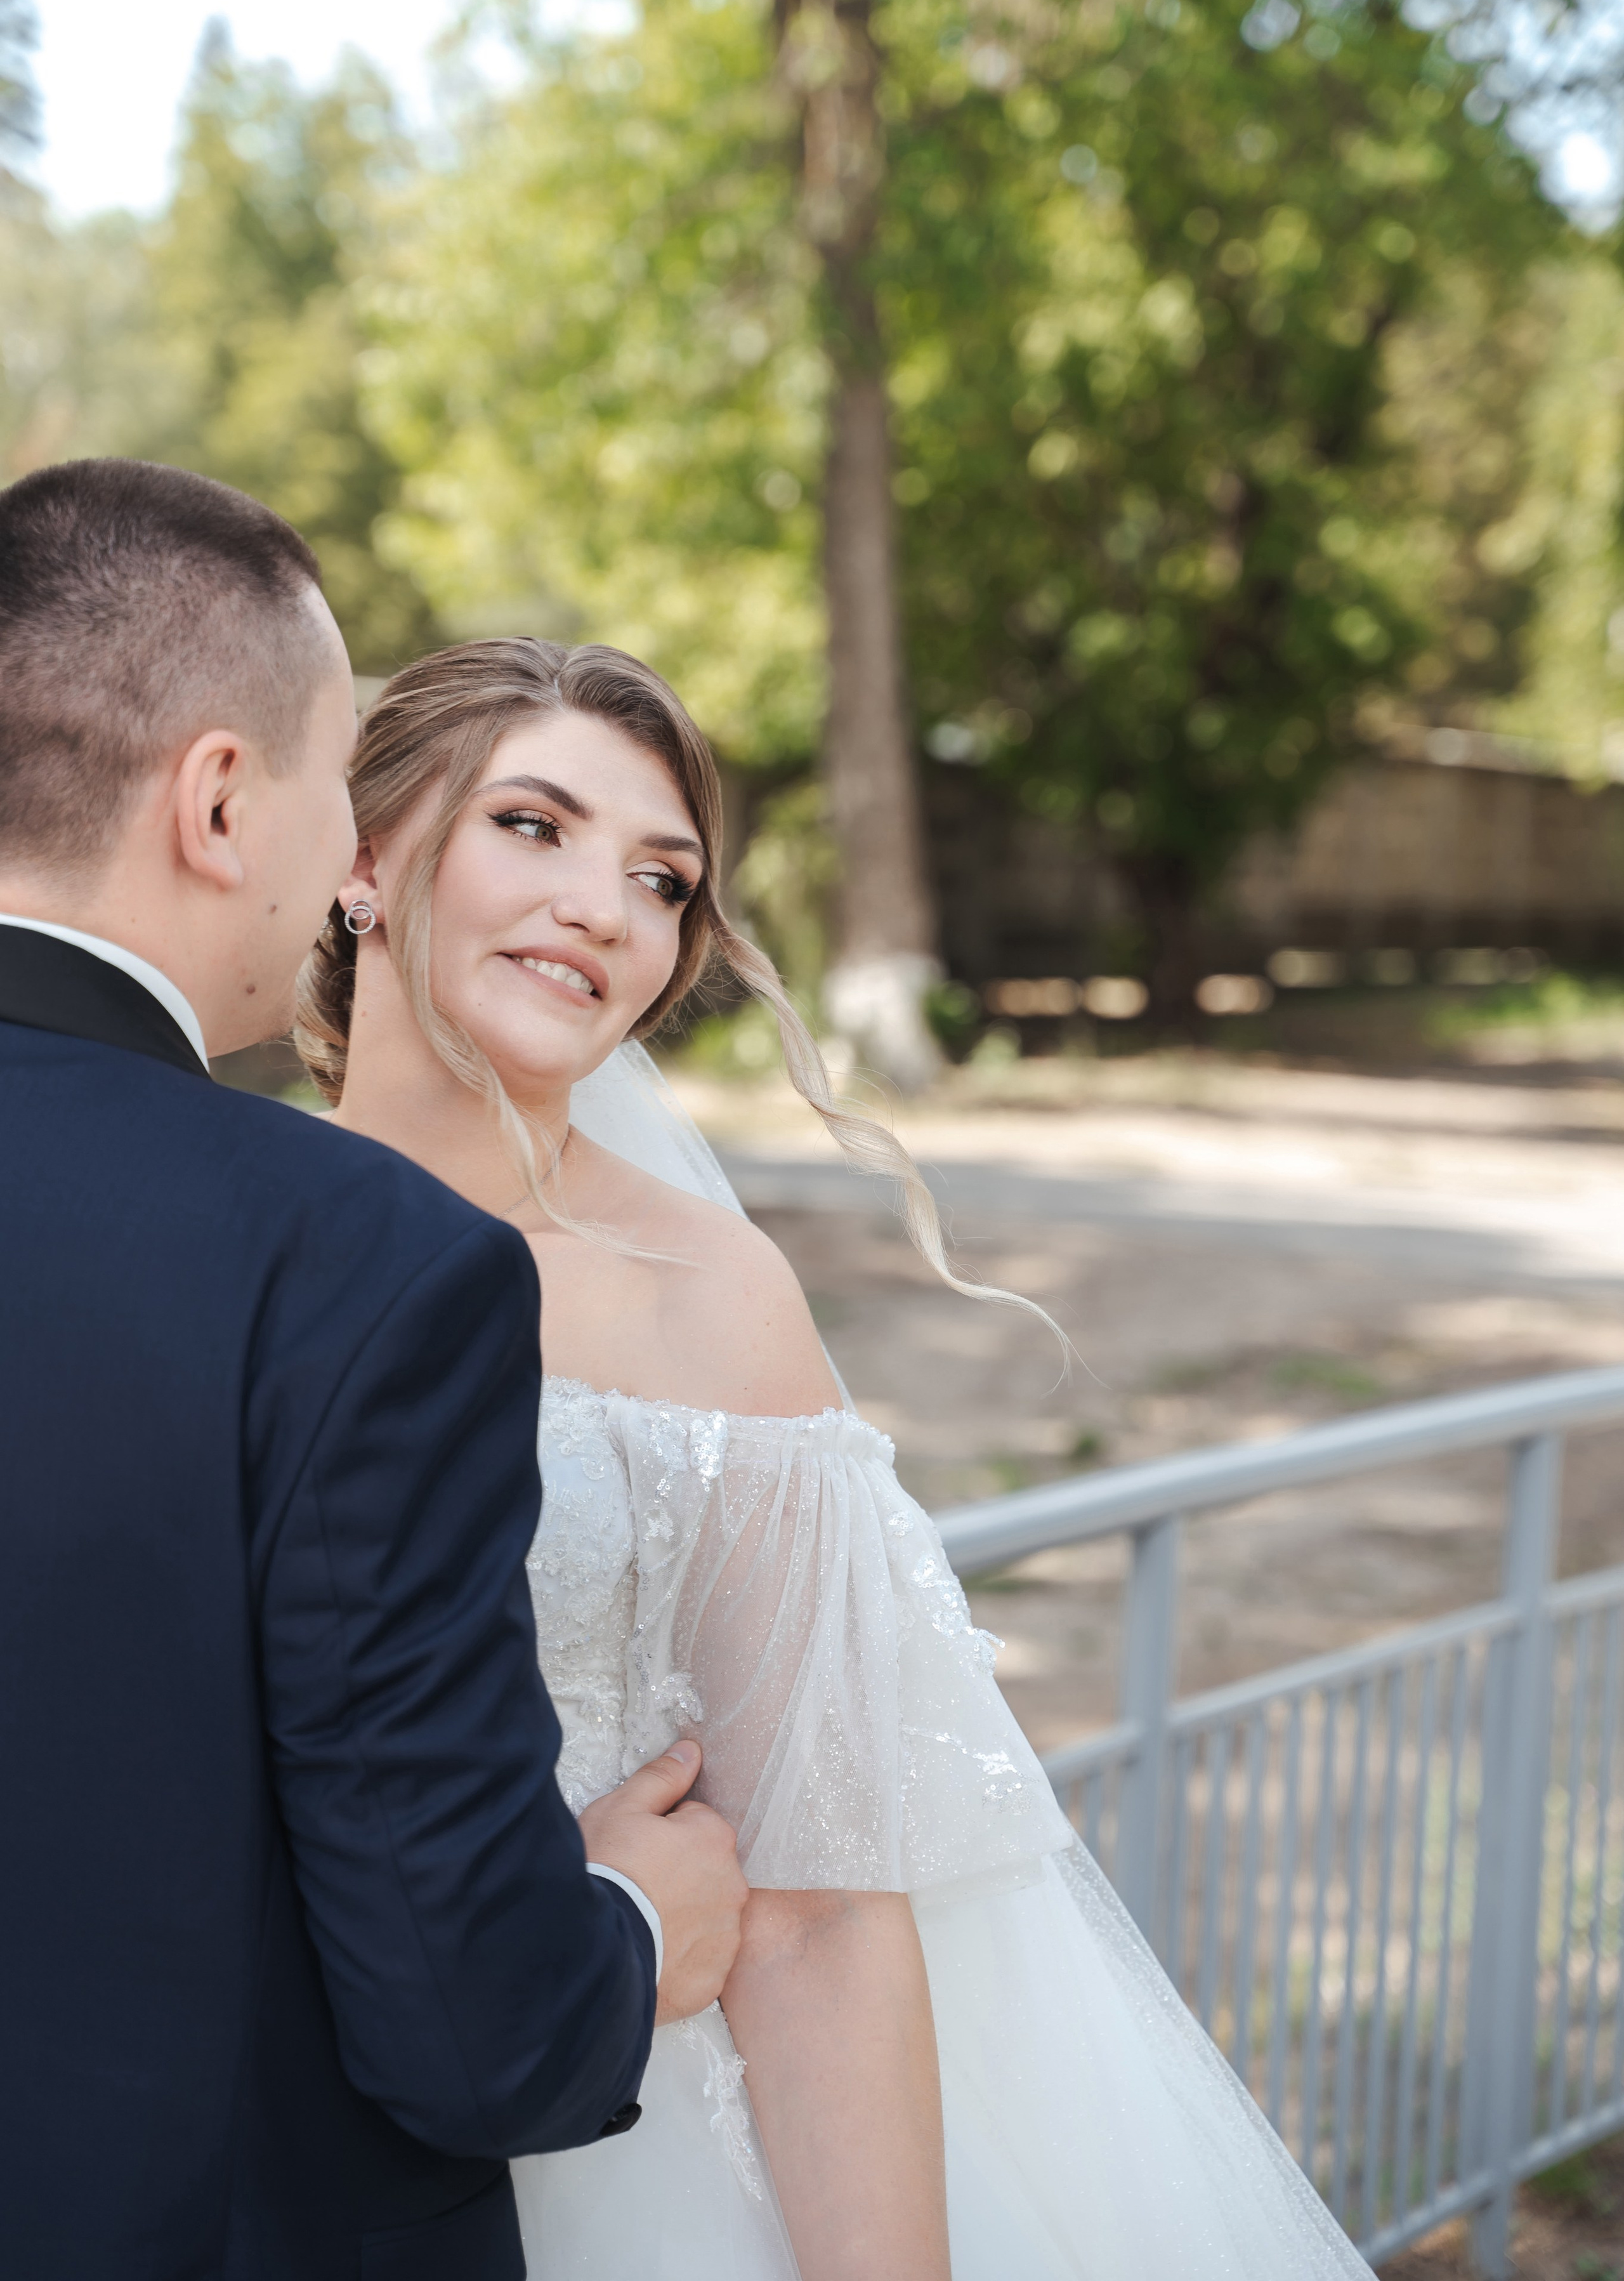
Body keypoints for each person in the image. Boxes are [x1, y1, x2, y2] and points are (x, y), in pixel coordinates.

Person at [300, 631, 1377, 2281]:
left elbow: (813, 1902)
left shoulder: (704, 1297)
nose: (606, 905)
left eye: (662, 879)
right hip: (281, 2138)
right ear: (362, 860)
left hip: (636, 2152)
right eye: (535, 826)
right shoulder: (218, 1235)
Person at [0, 461, 747, 2281]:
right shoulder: (349, 1264)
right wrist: (638, 1925)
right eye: (339, 781)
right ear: (220, 800)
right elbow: (475, 2024)